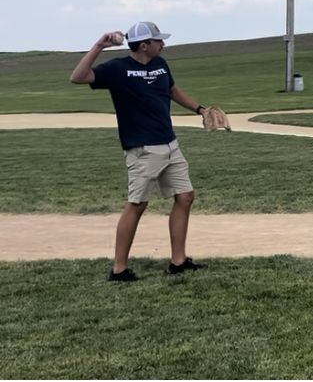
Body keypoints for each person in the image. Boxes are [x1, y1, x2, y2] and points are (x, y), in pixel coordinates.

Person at [70, 21, 209, 282]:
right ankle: (119, 269)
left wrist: (200, 110)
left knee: (186, 196)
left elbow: (172, 90)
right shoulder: (117, 68)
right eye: (158, 41)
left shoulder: (160, 65)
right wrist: (100, 45)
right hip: (141, 148)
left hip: (170, 143)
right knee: (138, 204)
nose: (163, 44)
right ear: (144, 45)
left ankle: (178, 262)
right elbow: (78, 77)